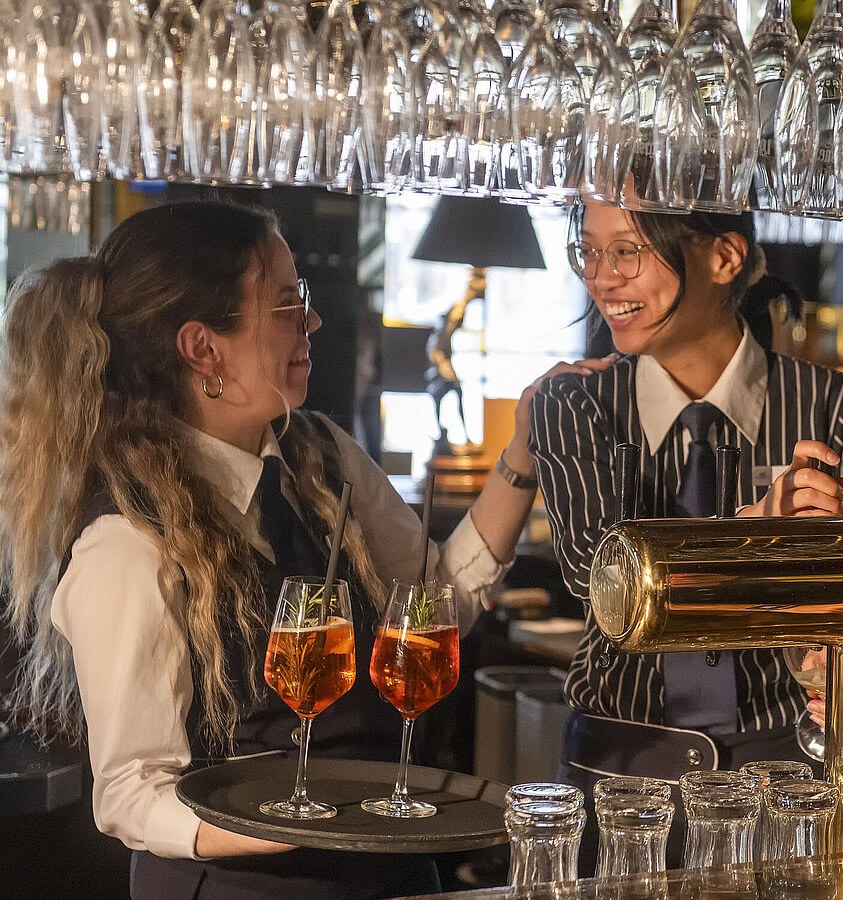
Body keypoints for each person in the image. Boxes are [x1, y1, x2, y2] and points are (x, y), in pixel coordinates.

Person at [0, 201, 543, 899]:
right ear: (203, 348)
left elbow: (435, 608)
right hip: (241, 885)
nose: (311, 321)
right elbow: (133, 795)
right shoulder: (125, 543)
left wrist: (524, 451)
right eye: (288, 304)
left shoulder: (321, 456)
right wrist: (310, 824)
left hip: (392, 872)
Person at [527, 202, 843, 849]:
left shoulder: (829, 405)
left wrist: (836, 656)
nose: (603, 277)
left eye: (628, 250)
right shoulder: (573, 403)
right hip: (619, 780)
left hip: (786, 781)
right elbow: (603, 580)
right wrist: (753, 532)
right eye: (589, 251)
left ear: (725, 257)